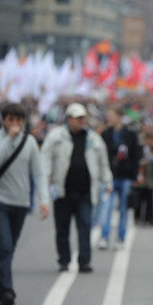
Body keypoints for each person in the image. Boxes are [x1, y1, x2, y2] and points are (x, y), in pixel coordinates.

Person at [0, 103, 50, 305]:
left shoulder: (30, 142)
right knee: (4, 246)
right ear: (3, 120)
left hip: (21, 202)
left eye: (18, 120)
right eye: (10, 119)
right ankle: (7, 291)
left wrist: (44, 200)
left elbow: (38, 173)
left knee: (9, 248)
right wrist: (9, 139)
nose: (15, 124)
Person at [41, 103, 113, 273]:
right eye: (77, 118)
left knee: (85, 225)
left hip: (85, 191)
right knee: (62, 228)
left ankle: (84, 260)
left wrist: (107, 181)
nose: (81, 121)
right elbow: (45, 160)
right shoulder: (56, 137)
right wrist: (45, 181)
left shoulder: (93, 138)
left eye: (83, 118)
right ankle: (64, 260)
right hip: (62, 191)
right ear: (68, 119)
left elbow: (103, 162)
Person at [99, 106, 140, 250]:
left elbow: (136, 156)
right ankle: (104, 236)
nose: (108, 118)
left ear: (118, 116)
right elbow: (101, 156)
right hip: (109, 177)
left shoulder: (130, 134)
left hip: (126, 177)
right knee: (106, 208)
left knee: (123, 209)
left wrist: (135, 176)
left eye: (110, 115)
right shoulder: (105, 134)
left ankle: (121, 238)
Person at [133, 132, 153, 226]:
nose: (151, 141)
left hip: (151, 177)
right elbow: (136, 160)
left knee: (150, 200)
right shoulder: (140, 149)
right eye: (149, 139)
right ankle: (138, 218)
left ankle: (149, 219)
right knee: (139, 199)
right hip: (141, 177)